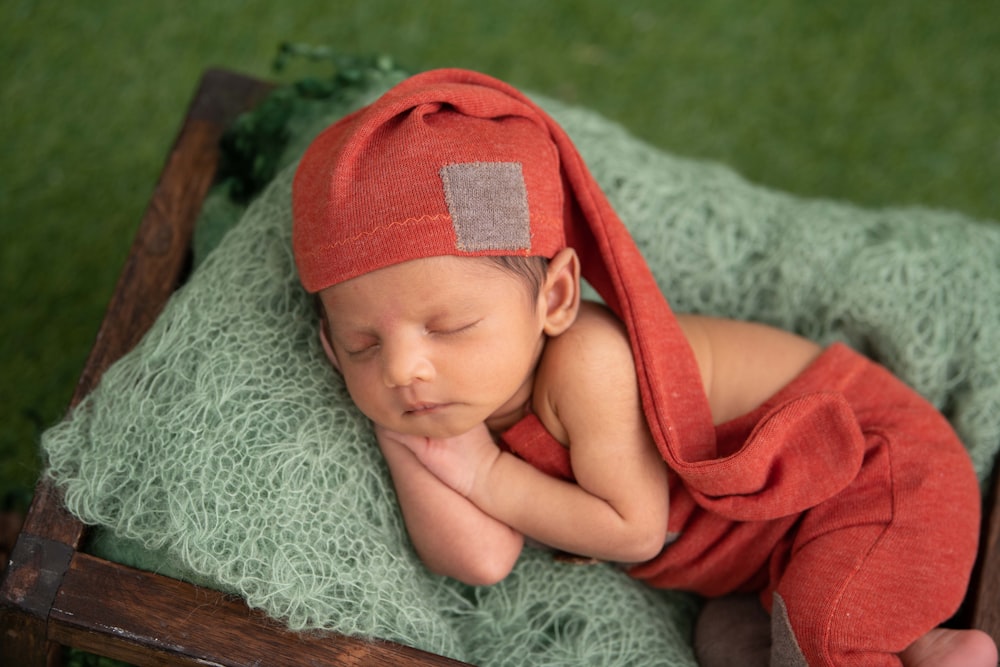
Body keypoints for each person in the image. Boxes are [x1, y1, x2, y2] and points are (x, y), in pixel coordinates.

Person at [291, 68, 997, 666]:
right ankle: (929, 650)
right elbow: (479, 557)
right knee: (726, 640)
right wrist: (398, 424)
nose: (406, 366)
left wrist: (484, 473)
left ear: (557, 298)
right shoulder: (430, 385)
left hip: (874, 471)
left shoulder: (586, 360)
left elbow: (631, 527)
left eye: (449, 327)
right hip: (772, 556)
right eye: (360, 343)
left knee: (827, 626)